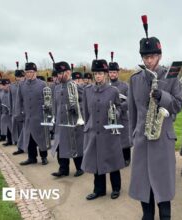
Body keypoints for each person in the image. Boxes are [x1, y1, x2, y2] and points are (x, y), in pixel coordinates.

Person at [128, 15, 182, 220]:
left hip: (163, 139)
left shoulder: (170, 77)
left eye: (152, 56)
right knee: (144, 183)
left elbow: (178, 105)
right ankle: (147, 215)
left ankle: (165, 216)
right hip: (142, 138)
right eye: (145, 57)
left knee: (163, 183)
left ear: (159, 56)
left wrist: (164, 97)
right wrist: (132, 137)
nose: (148, 60)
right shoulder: (134, 80)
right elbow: (132, 112)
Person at [82, 45, 125, 200]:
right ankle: (98, 189)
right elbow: (85, 112)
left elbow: (120, 108)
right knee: (96, 162)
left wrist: (115, 114)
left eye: (101, 73)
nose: (98, 76)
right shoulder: (87, 90)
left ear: (106, 75)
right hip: (94, 131)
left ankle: (116, 188)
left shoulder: (113, 91)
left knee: (112, 160)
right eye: (96, 73)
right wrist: (88, 126)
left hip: (109, 131)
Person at [50, 61, 84, 178]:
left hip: (73, 121)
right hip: (61, 121)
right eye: (58, 73)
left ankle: (80, 168)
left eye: (62, 73)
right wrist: (54, 119)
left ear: (68, 72)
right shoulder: (56, 88)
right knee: (61, 146)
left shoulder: (75, 86)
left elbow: (84, 102)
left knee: (76, 145)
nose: (59, 76)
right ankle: (63, 169)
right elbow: (55, 105)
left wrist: (78, 109)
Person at [16, 56, 49, 166]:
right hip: (27, 117)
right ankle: (31, 158)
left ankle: (44, 157)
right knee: (29, 138)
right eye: (27, 72)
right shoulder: (21, 85)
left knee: (41, 138)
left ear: (35, 72)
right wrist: (19, 114)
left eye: (31, 72)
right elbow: (19, 101)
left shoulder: (42, 84)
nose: (29, 74)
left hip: (39, 116)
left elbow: (48, 102)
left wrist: (48, 116)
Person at [108, 51, 132, 166]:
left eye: (114, 72)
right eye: (110, 72)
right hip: (110, 117)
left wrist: (119, 107)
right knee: (112, 138)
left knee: (124, 139)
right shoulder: (106, 86)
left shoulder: (124, 86)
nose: (112, 74)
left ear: (118, 73)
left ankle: (127, 158)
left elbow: (129, 101)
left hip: (122, 116)